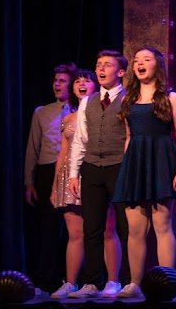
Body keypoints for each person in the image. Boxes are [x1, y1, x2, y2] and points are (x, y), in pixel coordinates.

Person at [108, 47, 176, 298]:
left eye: (147, 59)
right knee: (134, 228)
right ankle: (134, 283)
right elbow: (129, 137)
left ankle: (167, 281)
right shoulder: (127, 99)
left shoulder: (171, 98)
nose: (140, 63)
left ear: (157, 65)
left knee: (162, 224)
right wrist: (126, 170)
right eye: (136, 60)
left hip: (162, 160)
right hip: (136, 162)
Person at [50, 70, 122, 298]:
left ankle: (112, 280)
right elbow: (63, 153)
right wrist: (55, 185)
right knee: (76, 233)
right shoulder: (68, 118)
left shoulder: (102, 110)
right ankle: (72, 282)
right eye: (78, 81)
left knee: (107, 229)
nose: (82, 84)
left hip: (95, 168)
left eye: (86, 80)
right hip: (70, 174)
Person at [67, 50, 131, 298]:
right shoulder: (87, 102)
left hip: (119, 167)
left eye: (107, 65)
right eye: (98, 65)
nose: (101, 69)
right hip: (92, 167)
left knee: (124, 227)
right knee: (91, 227)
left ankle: (123, 281)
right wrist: (74, 174)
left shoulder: (129, 99)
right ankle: (92, 281)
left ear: (121, 72)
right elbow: (80, 141)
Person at [25, 63, 76, 293]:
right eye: (55, 80)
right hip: (47, 172)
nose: (57, 84)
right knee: (48, 228)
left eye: (62, 80)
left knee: (75, 229)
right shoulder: (42, 112)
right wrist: (29, 181)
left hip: (74, 171)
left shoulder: (81, 110)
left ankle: (76, 280)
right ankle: (45, 280)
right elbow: (32, 148)